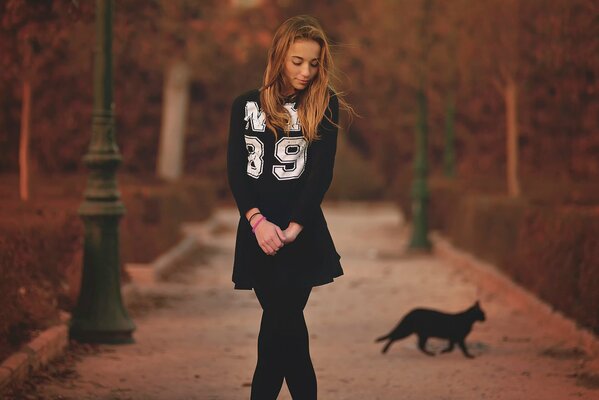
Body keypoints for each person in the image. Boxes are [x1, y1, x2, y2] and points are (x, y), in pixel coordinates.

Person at [227, 14, 352, 400]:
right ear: (279, 56)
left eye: (314, 63)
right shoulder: (245, 105)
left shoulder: (323, 103)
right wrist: (257, 222)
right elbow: (236, 171)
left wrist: (294, 227)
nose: (306, 71)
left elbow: (321, 174)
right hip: (258, 235)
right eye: (298, 61)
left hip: (301, 237)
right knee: (287, 335)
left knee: (279, 331)